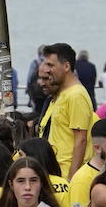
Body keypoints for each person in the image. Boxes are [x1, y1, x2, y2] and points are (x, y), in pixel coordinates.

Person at [36, 43, 95, 179]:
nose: (47, 70)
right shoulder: (60, 95)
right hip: (54, 173)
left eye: (51, 65)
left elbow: (81, 140)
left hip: (66, 174)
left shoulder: (76, 95)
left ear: (66, 66)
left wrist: (71, 179)